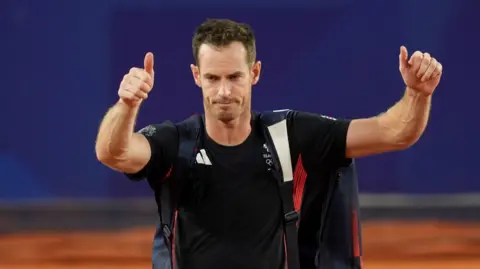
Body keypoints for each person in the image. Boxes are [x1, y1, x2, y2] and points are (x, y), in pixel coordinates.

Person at [95, 19, 442, 269]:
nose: (224, 91)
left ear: (255, 72)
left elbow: (394, 132)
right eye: (213, 78)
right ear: (196, 76)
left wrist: (417, 93)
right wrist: (127, 105)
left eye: (235, 77)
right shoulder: (176, 143)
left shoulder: (291, 136)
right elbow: (113, 152)